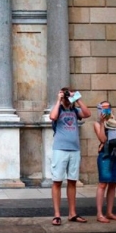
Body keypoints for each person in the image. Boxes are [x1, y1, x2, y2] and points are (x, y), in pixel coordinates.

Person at [49, 87, 91, 226]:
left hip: (74, 150)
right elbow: (53, 117)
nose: (67, 98)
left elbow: (88, 113)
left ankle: (72, 213)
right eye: (66, 96)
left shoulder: (75, 110)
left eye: (68, 96)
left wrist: (77, 99)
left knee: (72, 181)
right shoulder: (58, 109)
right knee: (57, 181)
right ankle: (57, 215)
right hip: (60, 150)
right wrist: (58, 100)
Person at [93, 101, 116, 223]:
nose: (106, 110)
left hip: (115, 154)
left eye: (108, 108)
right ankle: (99, 213)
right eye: (103, 108)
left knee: (113, 184)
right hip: (105, 156)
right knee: (103, 184)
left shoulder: (115, 122)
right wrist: (102, 123)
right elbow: (103, 138)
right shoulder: (97, 123)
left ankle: (109, 212)